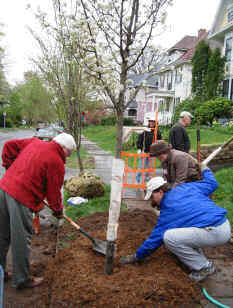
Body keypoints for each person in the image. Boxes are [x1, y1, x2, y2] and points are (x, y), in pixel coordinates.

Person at [120, 163, 231, 282]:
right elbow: (212, 183)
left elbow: (155, 239)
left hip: (215, 232)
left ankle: (204, 267)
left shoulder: (168, 211)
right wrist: (205, 169)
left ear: (160, 192)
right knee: (183, 229)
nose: (151, 201)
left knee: (169, 237)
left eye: (152, 196)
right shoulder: (186, 187)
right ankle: (200, 260)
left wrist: (137, 256)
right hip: (224, 224)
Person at [0, 133, 76, 289]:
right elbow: (54, 193)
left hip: (4, 189)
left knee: (2, 235)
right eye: (68, 153)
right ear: (63, 148)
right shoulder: (56, 162)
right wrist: (58, 210)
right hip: (20, 198)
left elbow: (8, 146)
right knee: (21, 239)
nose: (67, 157)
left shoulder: (35, 142)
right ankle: (22, 279)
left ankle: (0, 272)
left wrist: (9, 168)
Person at [136, 118, 162, 184]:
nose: (151, 123)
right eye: (150, 122)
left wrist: (157, 151)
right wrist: (139, 149)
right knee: (141, 167)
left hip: (152, 153)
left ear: (155, 123)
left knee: (150, 168)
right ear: (149, 122)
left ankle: (147, 181)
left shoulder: (157, 132)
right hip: (144, 152)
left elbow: (159, 142)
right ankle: (137, 180)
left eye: (153, 122)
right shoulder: (144, 130)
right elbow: (139, 140)